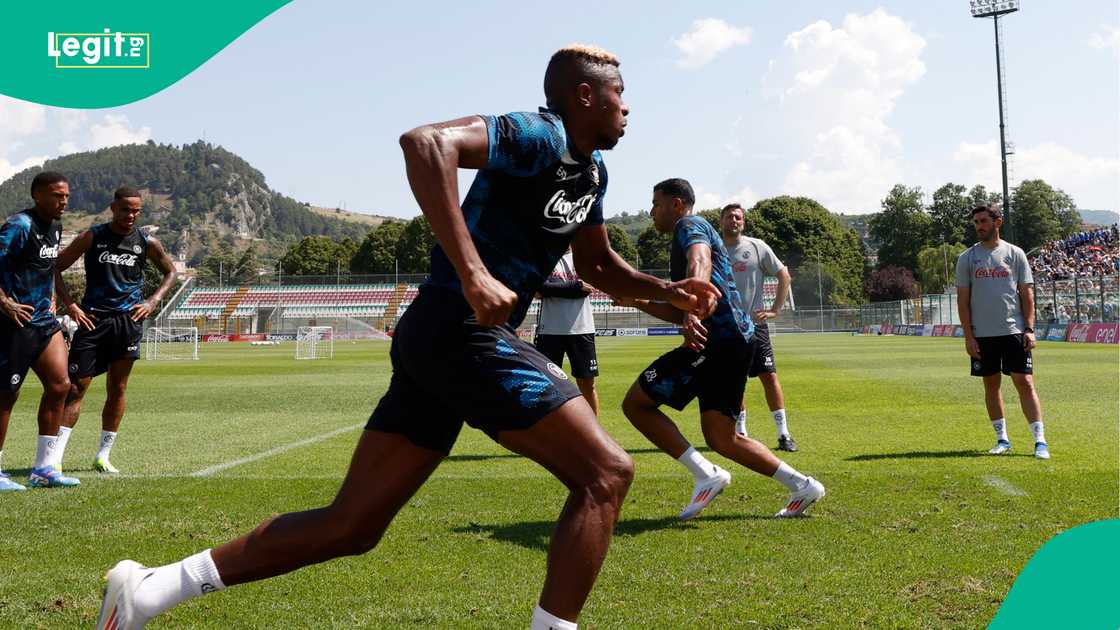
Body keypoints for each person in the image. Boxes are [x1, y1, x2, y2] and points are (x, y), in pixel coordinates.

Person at [97, 45, 721, 630]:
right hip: (459, 328)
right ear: (586, 97)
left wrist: (666, 292)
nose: (628, 107)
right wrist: (474, 272)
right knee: (606, 474)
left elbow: (599, 268)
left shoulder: (593, 173)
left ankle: (150, 590)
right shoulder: (539, 134)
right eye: (620, 95)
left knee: (352, 525)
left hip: (442, 338)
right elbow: (424, 143)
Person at [619, 179, 824, 522]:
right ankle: (803, 485)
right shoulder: (687, 234)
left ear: (678, 204)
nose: (651, 211)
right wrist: (640, 301)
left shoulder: (691, 225)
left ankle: (705, 474)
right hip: (735, 341)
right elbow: (678, 309)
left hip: (719, 341)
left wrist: (692, 307)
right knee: (722, 437)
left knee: (636, 404)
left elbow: (698, 263)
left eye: (656, 203)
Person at [52, 187, 178, 474]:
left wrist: (153, 300)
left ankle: (103, 455)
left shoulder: (147, 242)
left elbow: (171, 272)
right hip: (92, 320)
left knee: (117, 388)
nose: (130, 215)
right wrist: (71, 306)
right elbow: (56, 267)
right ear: (113, 208)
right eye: (125, 210)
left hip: (127, 322)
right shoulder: (92, 236)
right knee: (75, 388)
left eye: (135, 211)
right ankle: (54, 457)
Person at [0, 171, 79, 491]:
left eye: (66, 196)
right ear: (37, 195)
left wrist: (53, 300)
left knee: (61, 385)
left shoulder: (55, 227)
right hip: (12, 324)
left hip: (44, 323)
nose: (63, 201)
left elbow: (47, 270)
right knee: (6, 395)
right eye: (57, 195)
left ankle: (44, 468)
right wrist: (5, 304)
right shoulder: (19, 226)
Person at [955, 203, 1049, 460]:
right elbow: (962, 301)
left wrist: (1029, 329)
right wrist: (968, 337)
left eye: (983, 221)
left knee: (1025, 382)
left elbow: (1026, 294)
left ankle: (1040, 441)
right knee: (991, 384)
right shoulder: (967, 258)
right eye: (976, 223)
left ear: (998, 222)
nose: (979, 227)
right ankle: (1002, 439)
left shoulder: (1016, 254)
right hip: (983, 335)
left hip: (1015, 331)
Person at [719, 203, 798, 451]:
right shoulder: (713, 249)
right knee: (735, 380)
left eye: (738, 217)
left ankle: (784, 434)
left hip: (755, 325)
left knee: (769, 376)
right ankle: (741, 432)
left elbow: (784, 274)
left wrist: (775, 310)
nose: (734, 220)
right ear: (721, 221)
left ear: (743, 222)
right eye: (729, 217)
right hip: (727, 327)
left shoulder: (756, 246)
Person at [535, 248, 600, 415]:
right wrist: (575, 287)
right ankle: (552, 429)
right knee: (547, 384)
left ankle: (594, 432)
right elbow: (538, 289)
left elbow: (590, 287)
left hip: (582, 328)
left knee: (587, 384)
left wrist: (554, 289)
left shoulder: (583, 257)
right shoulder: (543, 257)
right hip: (549, 330)